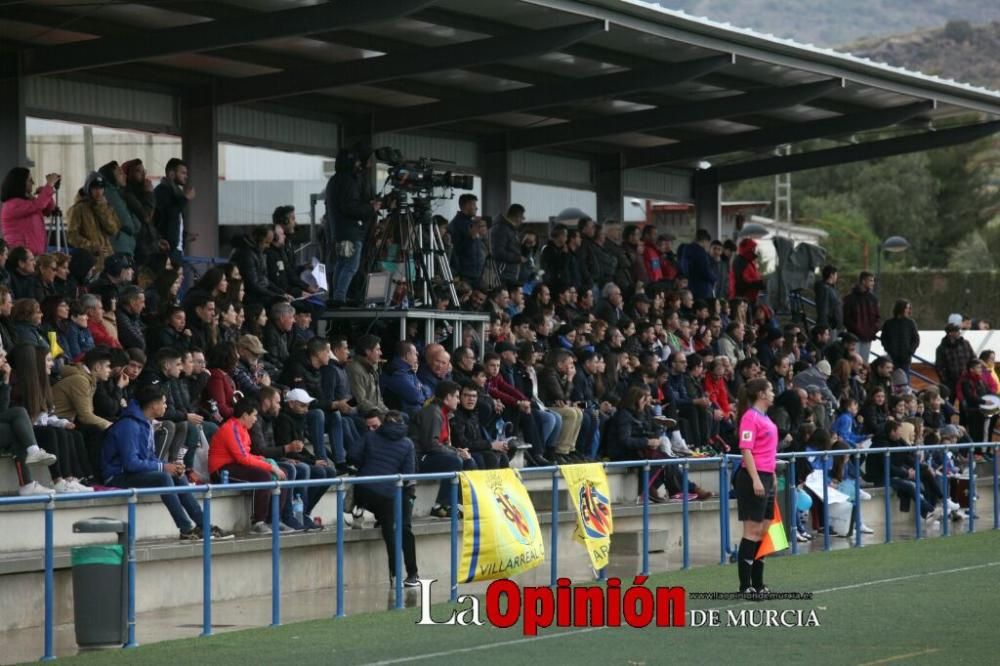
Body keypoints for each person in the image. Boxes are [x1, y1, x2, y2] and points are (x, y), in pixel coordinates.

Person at [103, 384, 230, 541]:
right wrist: (163, 467)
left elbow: (148, 457)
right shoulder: (130, 425)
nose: (165, 406)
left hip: (132, 472)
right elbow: (131, 463)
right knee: (163, 477)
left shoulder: (146, 422)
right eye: (163, 403)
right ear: (153, 405)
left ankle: (204, 526)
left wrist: (172, 467)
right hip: (118, 475)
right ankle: (185, 528)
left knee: (176, 474)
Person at [353, 410, 420, 586]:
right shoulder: (407, 443)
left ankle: (395, 575)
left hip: (370, 490)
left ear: (383, 424)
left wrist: (366, 466)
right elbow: (408, 475)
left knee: (390, 528)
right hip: (395, 492)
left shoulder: (371, 437)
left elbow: (352, 456)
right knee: (403, 529)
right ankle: (411, 573)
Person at [209, 397, 290, 534]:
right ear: (245, 415)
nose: (255, 419)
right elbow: (243, 458)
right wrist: (270, 467)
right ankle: (258, 523)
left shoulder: (243, 428)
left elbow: (246, 455)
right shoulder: (231, 428)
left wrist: (264, 460)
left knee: (282, 473)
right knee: (263, 476)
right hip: (221, 470)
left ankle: (273, 520)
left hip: (235, 465)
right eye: (254, 415)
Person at [733, 378, 778, 595]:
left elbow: (768, 450)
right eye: (770, 390)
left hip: (767, 476)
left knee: (764, 530)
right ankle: (745, 585)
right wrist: (756, 479)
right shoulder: (750, 417)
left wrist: (772, 476)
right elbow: (746, 449)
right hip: (754, 476)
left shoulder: (765, 417)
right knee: (751, 530)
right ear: (761, 394)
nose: (773, 394)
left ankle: (758, 582)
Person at [410, 380, 476, 518]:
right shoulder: (433, 413)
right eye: (457, 397)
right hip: (418, 458)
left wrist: (458, 451)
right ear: (447, 397)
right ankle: (440, 505)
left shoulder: (443, 413)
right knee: (454, 461)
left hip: (431, 455)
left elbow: (442, 445)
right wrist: (456, 452)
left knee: (469, 462)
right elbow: (431, 445)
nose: (459, 401)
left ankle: (460, 503)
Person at [325, 143, 379, 306]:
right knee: (349, 267)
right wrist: (371, 208)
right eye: (356, 161)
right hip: (350, 232)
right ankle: (339, 298)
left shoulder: (334, 181)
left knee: (342, 264)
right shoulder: (348, 181)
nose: (359, 165)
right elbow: (350, 207)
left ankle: (336, 297)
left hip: (339, 232)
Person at [66, 172, 120, 272]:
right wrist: (92, 246)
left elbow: (113, 230)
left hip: (107, 259)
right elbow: (72, 236)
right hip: (89, 261)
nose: (98, 192)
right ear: (88, 189)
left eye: (101, 188)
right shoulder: (78, 208)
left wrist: (101, 208)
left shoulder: (106, 207)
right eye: (95, 188)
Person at [1, 168, 59, 257]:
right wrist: (49, 186)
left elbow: (49, 209)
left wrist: (45, 191)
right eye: (30, 180)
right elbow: (39, 205)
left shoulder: (28, 202)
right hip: (21, 255)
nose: (33, 183)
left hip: (33, 253)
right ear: (20, 183)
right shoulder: (12, 204)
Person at [154, 158, 193, 265]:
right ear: (171, 174)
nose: (186, 176)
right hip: (166, 247)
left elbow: (174, 220)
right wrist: (185, 199)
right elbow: (170, 213)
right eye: (183, 173)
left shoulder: (175, 192)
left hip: (176, 248)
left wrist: (183, 235)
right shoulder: (162, 191)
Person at [842, 271, 879, 362]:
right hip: (854, 337)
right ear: (863, 281)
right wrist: (856, 329)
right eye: (870, 280)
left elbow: (877, 317)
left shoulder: (873, 299)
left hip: (867, 336)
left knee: (864, 363)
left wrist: (873, 330)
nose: (873, 283)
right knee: (854, 361)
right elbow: (846, 317)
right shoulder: (850, 299)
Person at [813, 265, 843, 334]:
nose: (836, 277)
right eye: (836, 275)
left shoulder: (831, 288)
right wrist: (824, 327)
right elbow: (823, 308)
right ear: (831, 275)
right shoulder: (825, 289)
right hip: (829, 326)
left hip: (833, 325)